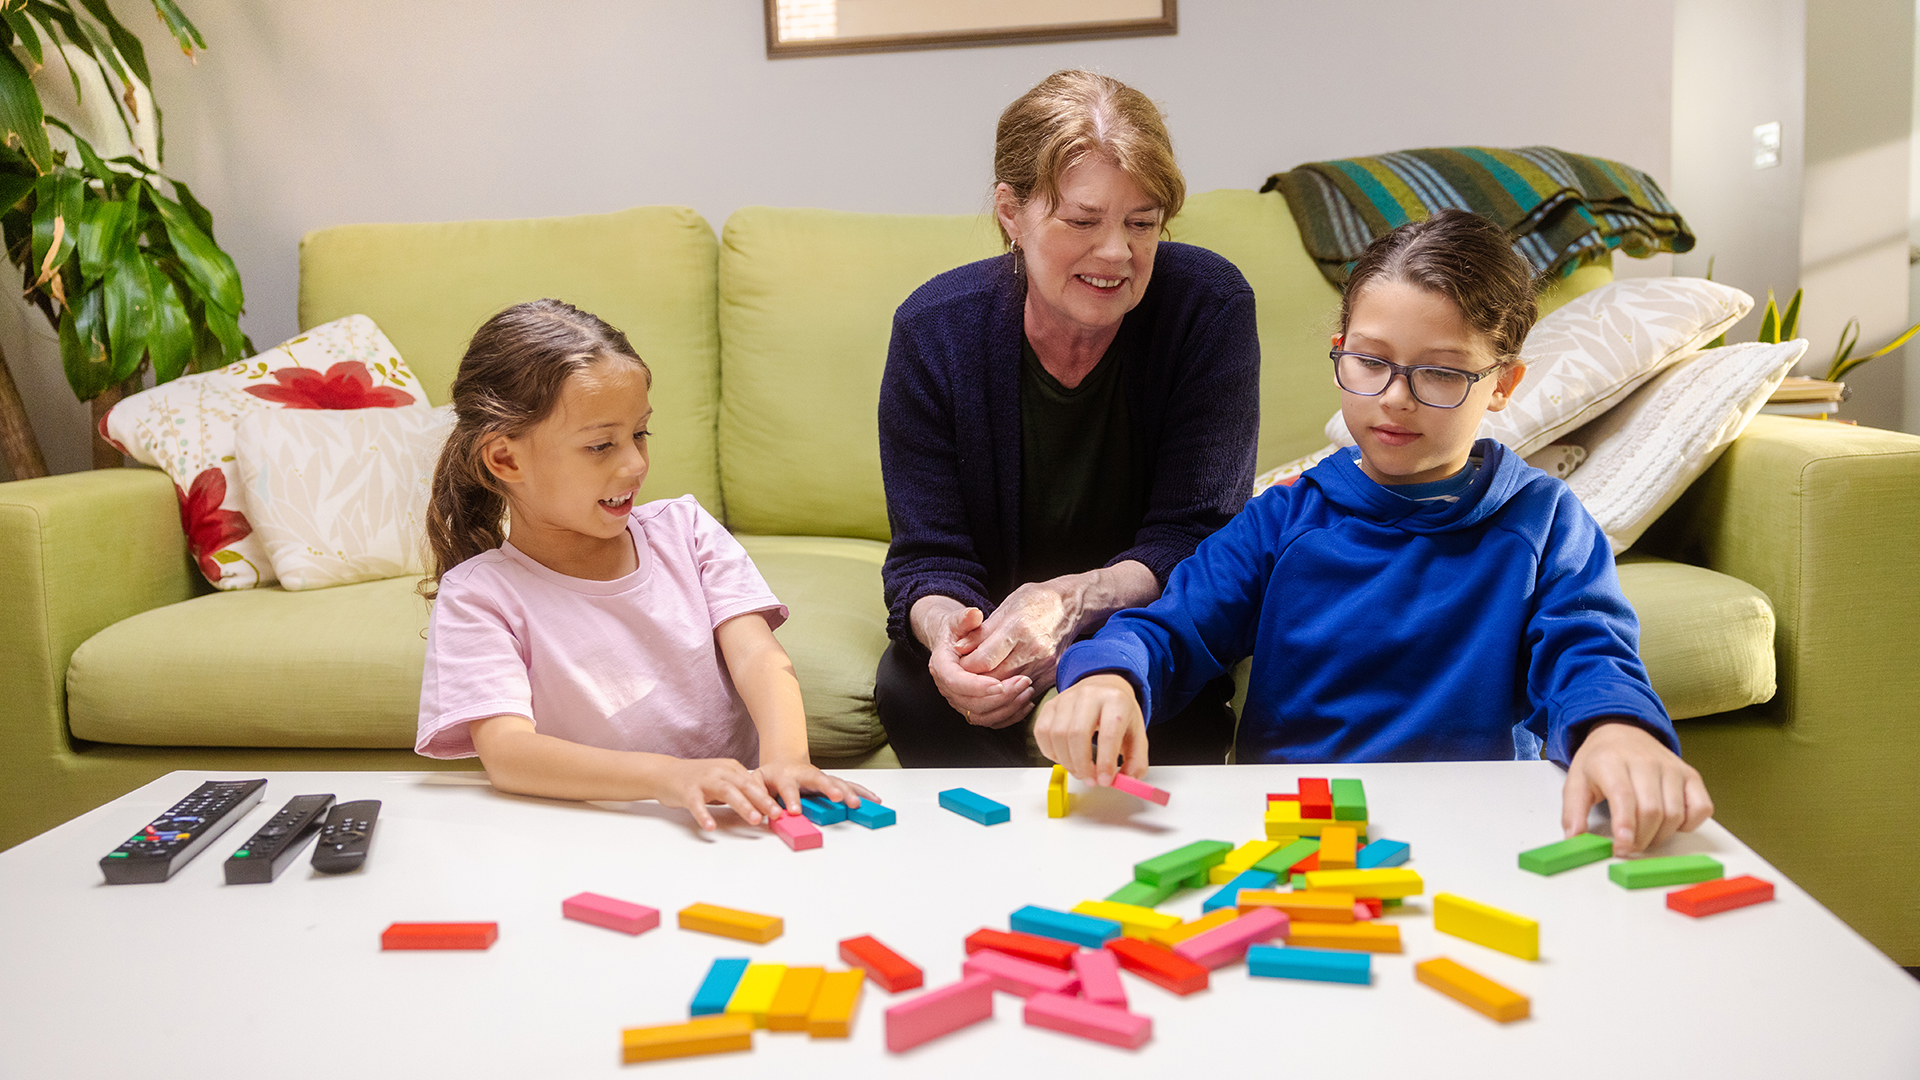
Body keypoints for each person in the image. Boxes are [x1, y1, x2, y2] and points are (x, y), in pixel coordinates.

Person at [1037, 209, 1713, 855]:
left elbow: (1589, 654)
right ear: (1341, 353)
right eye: (1370, 362)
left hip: (1479, 834)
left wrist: (1616, 729)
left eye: (1442, 372)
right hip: (1294, 840)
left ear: (1504, 384)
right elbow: (1171, 627)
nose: (1395, 396)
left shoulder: (1545, 522)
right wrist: (1107, 678)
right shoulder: (1285, 516)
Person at [876, 70, 1260, 767]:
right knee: (908, 688)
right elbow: (928, 557)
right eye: (1082, 221)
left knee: (1174, 707)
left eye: (1142, 223)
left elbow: (1198, 534)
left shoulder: (1208, 305)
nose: (1116, 253)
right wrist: (949, 639)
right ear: (1010, 213)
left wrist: (1079, 599)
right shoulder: (934, 331)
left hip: (1145, 620)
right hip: (995, 625)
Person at [414, 299, 872, 830]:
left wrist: (787, 759)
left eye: (640, 434)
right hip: (604, 832)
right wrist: (669, 778)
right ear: (505, 459)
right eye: (600, 445)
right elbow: (509, 753)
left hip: (737, 825)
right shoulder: (479, 594)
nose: (634, 464)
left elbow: (759, 658)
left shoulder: (687, 530)